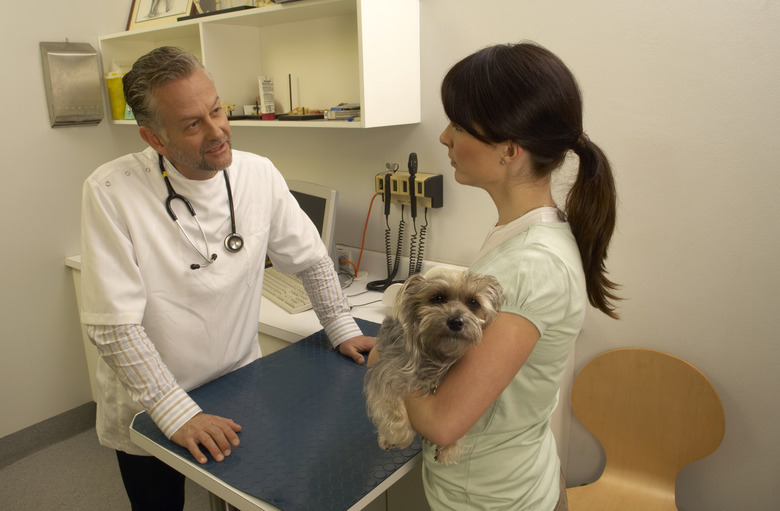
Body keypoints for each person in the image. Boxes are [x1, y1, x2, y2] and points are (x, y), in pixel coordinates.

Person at [80, 46, 375, 510]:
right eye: (192, 124)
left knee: (247, 496)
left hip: (238, 384)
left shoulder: (258, 173)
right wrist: (175, 411)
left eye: (216, 110)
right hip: (152, 398)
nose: (218, 132)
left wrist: (340, 327)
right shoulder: (112, 191)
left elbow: (311, 257)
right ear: (154, 139)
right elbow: (112, 326)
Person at [370, 42, 619, 510]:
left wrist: (387, 358)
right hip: (516, 481)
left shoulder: (531, 264)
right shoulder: (527, 233)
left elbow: (444, 422)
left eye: (459, 126)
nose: (444, 137)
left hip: (489, 499)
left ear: (508, 149)